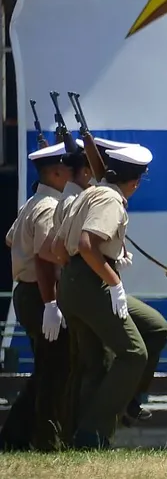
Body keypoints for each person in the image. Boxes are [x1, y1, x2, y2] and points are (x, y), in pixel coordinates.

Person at [47, 138, 167, 432]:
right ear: (136, 181)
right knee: (135, 353)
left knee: (105, 359)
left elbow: (58, 247)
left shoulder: (89, 194)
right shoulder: (110, 199)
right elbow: (87, 244)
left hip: (75, 281)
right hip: (94, 283)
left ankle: (92, 427)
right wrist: (113, 282)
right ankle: (94, 432)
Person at [0, 143, 72, 452]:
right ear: (56, 172)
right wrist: (52, 303)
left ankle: (17, 435)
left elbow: (10, 239)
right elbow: (46, 257)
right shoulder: (48, 206)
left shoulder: (35, 201)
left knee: (49, 367)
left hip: (28, 292)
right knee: (53, 370)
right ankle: (41, 439)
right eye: (68, 169)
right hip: (41, 293)